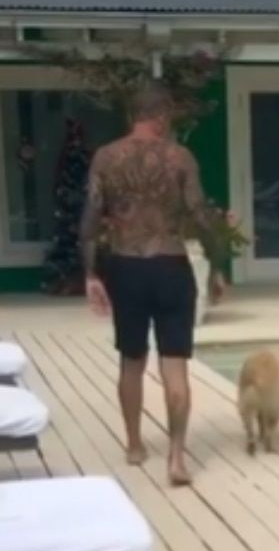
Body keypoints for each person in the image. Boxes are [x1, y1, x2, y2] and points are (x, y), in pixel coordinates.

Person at [80, 83, 208, 487]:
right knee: (175, 365)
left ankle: (134, 445)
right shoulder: (180, 157)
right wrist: (219, 266)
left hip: (127, 267)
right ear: (162, 115)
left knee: (131, 360)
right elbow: (200, 213)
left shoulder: (106, 157)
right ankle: (176, 458)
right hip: (171, 265)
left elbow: (91, 218)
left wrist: (91, 274)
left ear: (131, 116)